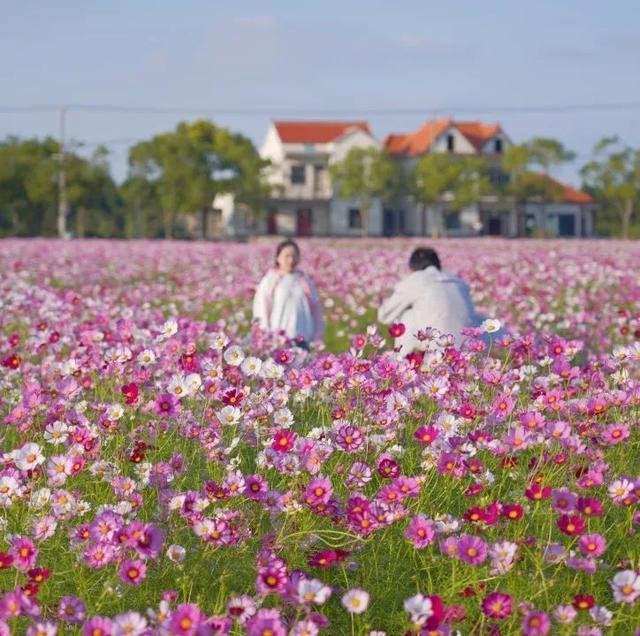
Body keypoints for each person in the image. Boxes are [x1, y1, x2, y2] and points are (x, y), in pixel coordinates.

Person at [378, 247, 490, 352]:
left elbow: (385, 315)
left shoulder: (416, 278)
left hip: (436, 350)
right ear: (438, 265)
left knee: (407, 315)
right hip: (470, 349)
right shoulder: (459, 282)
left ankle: (401, 361)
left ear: (412, 268)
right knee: (480, 318)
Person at [252, 239, 324, 348]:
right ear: (278, 258)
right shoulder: (271, 280)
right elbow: (262, 307)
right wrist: (265, 334)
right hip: (277, 340)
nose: (291, 260)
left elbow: (316, 308)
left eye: (294, 256)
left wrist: (316, 335)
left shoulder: (304, 280)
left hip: (302, 339)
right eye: (287, 256)